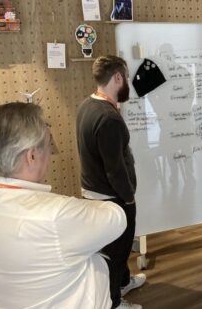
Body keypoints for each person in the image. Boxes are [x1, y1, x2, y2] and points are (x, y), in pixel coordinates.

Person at [0, 102, 126, 308]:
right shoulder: (54, 216)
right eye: (49, 145)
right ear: (31, 156)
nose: (50, 154)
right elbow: (116, 218)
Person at [76, 55, 145, 309]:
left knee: (116, 250)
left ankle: (123, 281)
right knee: (116, 251)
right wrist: (128, 198)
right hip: (112, 199)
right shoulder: (108, 118)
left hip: (94, 193)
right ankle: (115, 302)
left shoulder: (87, 105)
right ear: (117, 78)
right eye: (125, 77)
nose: (126, 82)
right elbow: (115, 169)